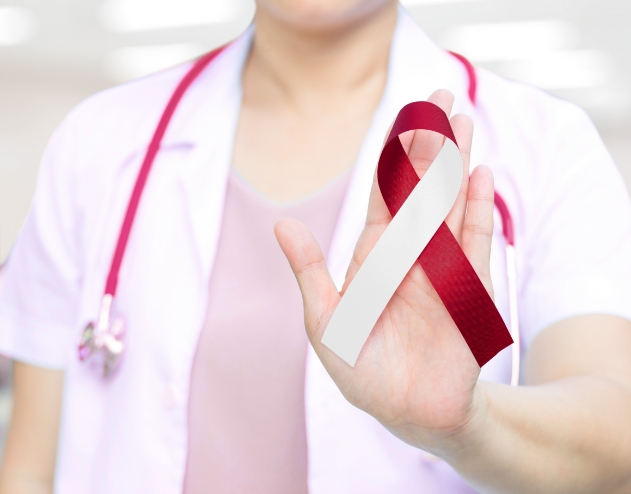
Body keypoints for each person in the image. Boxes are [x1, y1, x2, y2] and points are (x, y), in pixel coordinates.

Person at [0, 0, 630, 493]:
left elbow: (615, 440)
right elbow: (30, 472)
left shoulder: (544, 148)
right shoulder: (100, 145)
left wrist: (471, 427)